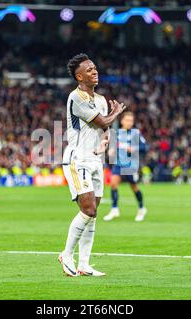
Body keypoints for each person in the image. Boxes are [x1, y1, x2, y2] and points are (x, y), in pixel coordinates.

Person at [59, 53, 126, 277]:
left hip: (95, 159)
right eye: (89, 70)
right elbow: (103, 120)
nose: (94, 71)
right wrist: (116, 113)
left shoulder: (99, 100)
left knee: (93, 213)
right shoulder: (75, 97)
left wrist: (106, 141)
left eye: (95, 68)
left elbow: (105, 128)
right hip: (78, 159)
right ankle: (66, 254)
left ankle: (84, 264)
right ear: (79, 76)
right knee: (87, 209)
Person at [103, 112, 149, 222]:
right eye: (127, 120)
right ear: (122, 121)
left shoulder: (135, 133)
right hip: (119, 164)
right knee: (113, 184)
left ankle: (141, 208)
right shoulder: (117, 133)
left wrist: (133, 149)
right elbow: (113, 148)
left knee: (134, 187)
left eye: (131, 121)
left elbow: (144, 148)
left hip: (131, 165)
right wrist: (111, 151)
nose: (129, 122)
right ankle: (114, 209)